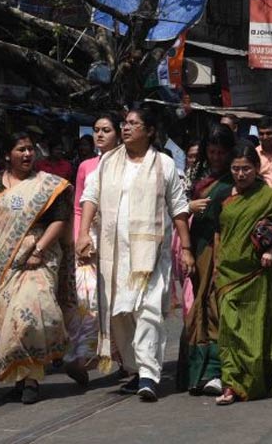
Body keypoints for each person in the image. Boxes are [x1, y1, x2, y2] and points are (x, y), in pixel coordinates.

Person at [77, 107, 191, 402]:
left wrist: (187, 248)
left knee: (149, 312)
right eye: (124, 124)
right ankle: (137, 368)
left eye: (133, 124)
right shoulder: (107, 163)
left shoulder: (164, 164)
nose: (125, 128)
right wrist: (83, 233)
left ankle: (150, 376)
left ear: (150, 130)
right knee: (120, 314)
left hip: (151, 253)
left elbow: (179, 208)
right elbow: (90, 197)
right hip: (114, 254)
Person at [211, 143, 272, 404]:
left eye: (246, 169)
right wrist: (216, 265)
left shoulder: (268, 197)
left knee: (254, 332)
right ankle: (231, 384)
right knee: (229, 330)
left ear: (256, 169)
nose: (241, 174)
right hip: (228, 275)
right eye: (235, 169)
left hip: (257, 274)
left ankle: (255, 381)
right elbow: (218, 233)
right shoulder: (224, 195)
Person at [0, 131, 74, 404]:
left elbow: (59, 219)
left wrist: (38, 249)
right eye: (20, 150)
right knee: (6, 319)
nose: (27, 154)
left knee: (30, 314)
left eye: (30, 149)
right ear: (6, 155)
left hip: (38, 258)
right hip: (2, 263)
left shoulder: (48, 185)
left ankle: (33, 378)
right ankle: (21, 377)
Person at [178, 125, 236, 395]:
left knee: (215, 308)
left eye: (221, 152)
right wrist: (189, 208)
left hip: (223, 251)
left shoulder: (235, 180)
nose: (215, 157)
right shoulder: (200, 178)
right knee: (196, 309)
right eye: (211, 152)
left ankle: (216, 372)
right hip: (199, 250)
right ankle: (195, 375)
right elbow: (177, 211)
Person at [64, 112, 122, 381]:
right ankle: (81, 356)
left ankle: (119, 353)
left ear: (119, 134)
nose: (100, 135)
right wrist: (80, 237)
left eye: (106, 130)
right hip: (89, 240)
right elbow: (78, 207)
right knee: (85, 297)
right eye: (97, 129)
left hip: (118, 240)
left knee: (115, 299)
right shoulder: (86, 166)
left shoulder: (128, 164)